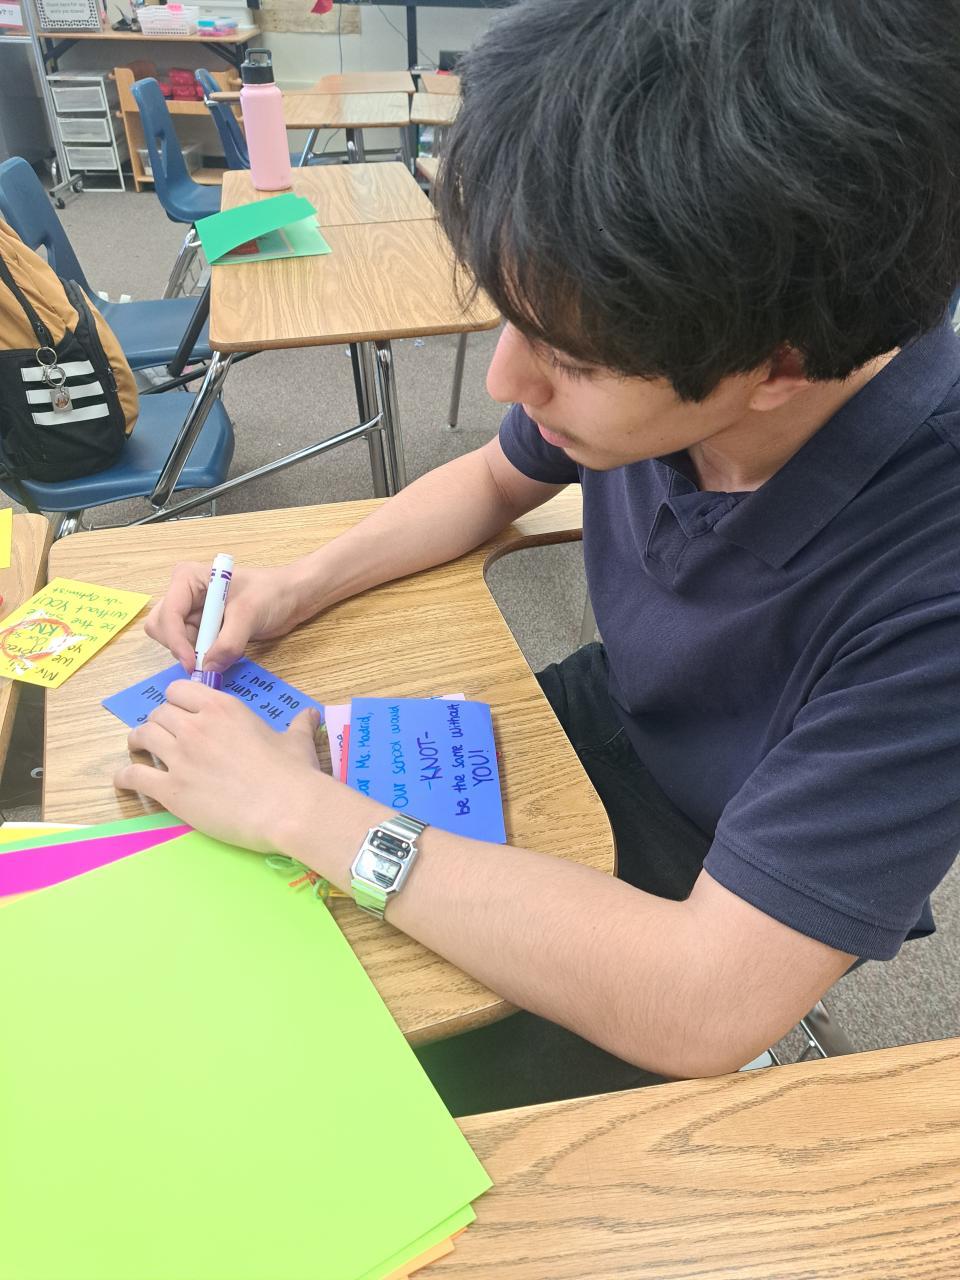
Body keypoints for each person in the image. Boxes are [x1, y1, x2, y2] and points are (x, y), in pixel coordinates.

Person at [118, 0, 960, 1102]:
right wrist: (289, 587)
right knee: (213, 963)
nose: (506, 381)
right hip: (605, 723)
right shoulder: (676, 327)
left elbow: (706, 996)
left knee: (326, 1086)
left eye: (568, 356)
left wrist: (301, 811)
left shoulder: (932, 580)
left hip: (715, 881)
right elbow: (490, 478)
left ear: (781, 367)